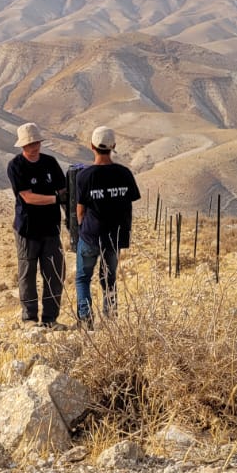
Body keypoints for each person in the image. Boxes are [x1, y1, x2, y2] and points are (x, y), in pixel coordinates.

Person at [72, 125, 141, 326]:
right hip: (114, 238)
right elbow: (130, 201)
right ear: (114, 147)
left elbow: (80, 210)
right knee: (109, 279)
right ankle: (111, 319)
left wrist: (81, 229)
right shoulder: (124, 173)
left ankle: (86, 319)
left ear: (91, 146)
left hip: (90, 236)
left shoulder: (84, 176)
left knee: (83, 278)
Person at [7, 122, 67, 326]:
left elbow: (63, 191)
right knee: (27, 274)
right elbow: (28, 197)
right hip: (27, 229)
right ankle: (29, 318)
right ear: (22, 146)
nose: (33, 148)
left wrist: (70, 214)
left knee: (54, 273)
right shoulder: (16, 166)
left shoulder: (50, 162)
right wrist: (55, 199)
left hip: (51, 228)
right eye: (29, 144)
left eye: (36, 143)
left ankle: (51, 318)